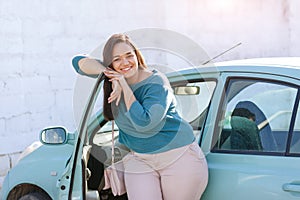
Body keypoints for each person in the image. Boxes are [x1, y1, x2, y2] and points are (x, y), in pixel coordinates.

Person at [72, 33, 208, 200]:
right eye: (117, 59)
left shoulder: (157, 83)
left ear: (137, 55)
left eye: (129, 55)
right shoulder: (114, 75)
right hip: (139, 160)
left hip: (178, 157)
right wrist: (108, 73)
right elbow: (77, 62)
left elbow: (145, 122)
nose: (125, 62)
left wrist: (124, 86)